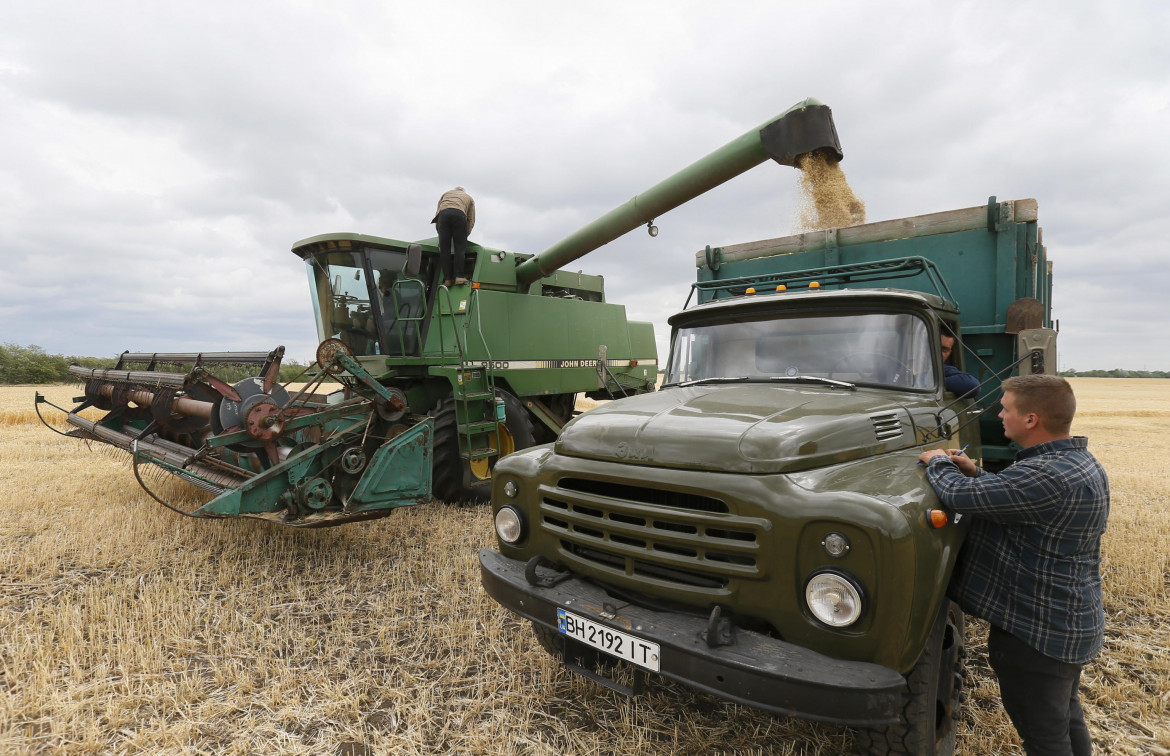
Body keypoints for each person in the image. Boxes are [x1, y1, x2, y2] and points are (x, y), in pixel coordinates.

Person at [918, 374, 1109, 756]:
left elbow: (960, 496)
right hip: (1068, 622)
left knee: (1045, 738)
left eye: (1005, 408)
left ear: (1031, 420)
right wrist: (977, 472)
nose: (1000, 415)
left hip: (1037, 633)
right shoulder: (1074, 463)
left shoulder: (1047, 476)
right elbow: (1019, 501)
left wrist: (939, 463)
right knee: (1065, 720)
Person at [432, 186, 475, 286]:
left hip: (443, 215)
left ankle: (447, 279)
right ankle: (459, 277)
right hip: (459, 214)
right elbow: (471, 219)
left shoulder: (445, 194)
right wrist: (465, 235)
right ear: (463, 192)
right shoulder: (469, 198)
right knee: (459, 248)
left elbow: (438, 213)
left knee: (444, 250)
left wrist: (440, 234)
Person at [941, 332, 979, 397]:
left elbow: (972, 385)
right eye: (935, 347)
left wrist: (931, 383)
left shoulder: (942, 370)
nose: (939, 353)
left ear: (949, 352)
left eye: (944, 350)